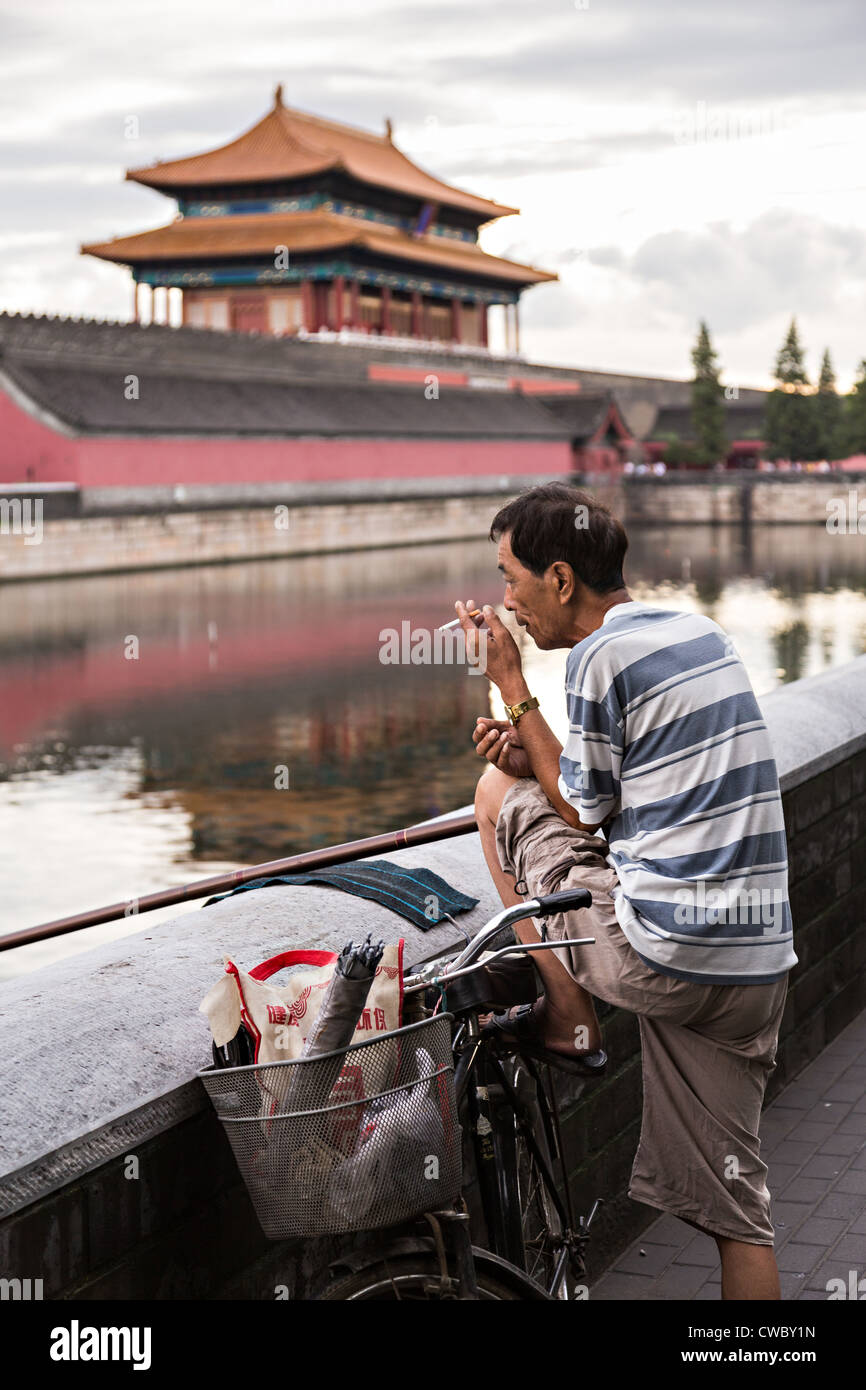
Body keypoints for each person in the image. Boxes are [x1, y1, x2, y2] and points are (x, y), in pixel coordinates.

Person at [454, 481, 797, 1302]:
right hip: (754, 965)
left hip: (670, 957)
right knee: (741, 1215)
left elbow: (577, 809)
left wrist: (512, 687)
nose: (508, 601)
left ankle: (569, 1014)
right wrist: (532, 748)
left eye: (511, 578)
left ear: (561, 580)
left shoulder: (595, 656)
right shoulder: (697, 629)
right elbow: (635, 797)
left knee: (498, 800)